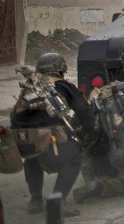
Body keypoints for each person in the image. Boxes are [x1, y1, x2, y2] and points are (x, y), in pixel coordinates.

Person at [10, 53, 95, 217]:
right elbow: (85, 113)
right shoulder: (64, 86)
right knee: (74, 160)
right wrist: (89, 135)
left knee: (32, 159)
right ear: (60, 70)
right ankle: (59, 201)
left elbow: (15, 116)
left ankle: (35, 200)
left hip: (25, 140)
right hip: (52, 141)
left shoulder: (29, 86)